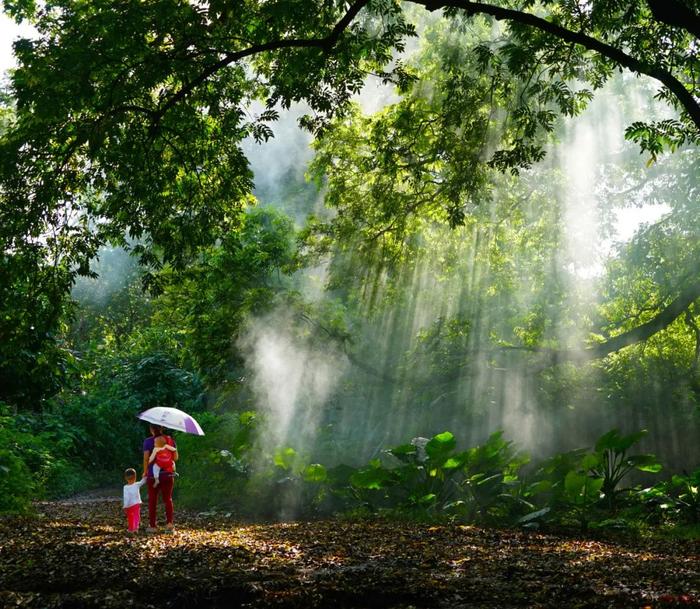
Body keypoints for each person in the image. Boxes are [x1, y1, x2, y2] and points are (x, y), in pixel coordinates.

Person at [142, 423, 178, 532]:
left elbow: (146, 459)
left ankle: (153, 526)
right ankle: (169, 525)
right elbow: (175, 458)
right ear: (162, 428)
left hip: (153, 475)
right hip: (168, 474)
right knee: (168, 499)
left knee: (153, 500)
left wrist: (145, 472)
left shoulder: (148, 441)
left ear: (151, 429)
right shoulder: (170, 440)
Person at [123, 468, 147, 534]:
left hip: (129, 505)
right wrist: (145, 475)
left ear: (126, 478)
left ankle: (131, 529)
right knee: (136, 516)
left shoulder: (125, 487)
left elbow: (126, 497)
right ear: (135, 477)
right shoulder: (137, 484)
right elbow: (143, 481)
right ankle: (136, 527)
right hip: (136, 504)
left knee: (130, 517)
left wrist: (125, 506)